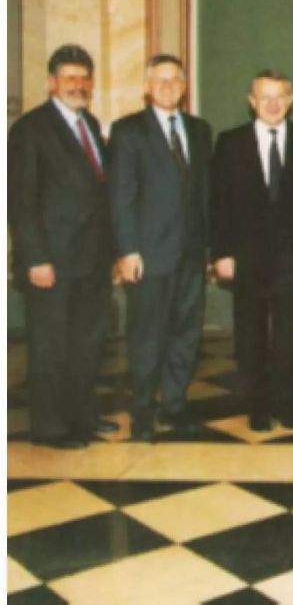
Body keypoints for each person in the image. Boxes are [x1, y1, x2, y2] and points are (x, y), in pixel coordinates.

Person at [8, 45, 116, 449]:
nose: (78, 85)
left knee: (87, 343)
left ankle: (82, 416)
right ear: (52, 82)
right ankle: (50, 427)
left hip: (91, 259)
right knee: (51, 345)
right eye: (69, 77)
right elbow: (20, 201)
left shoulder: (89, 123)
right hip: (51, 260)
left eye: (84, 77)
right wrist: (35, 257)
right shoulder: (30, 129)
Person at [211, 70, 293, 432]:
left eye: (280, 97)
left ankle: (287, 406)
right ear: (251, 101)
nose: (273, 104)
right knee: (251, 336)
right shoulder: (230, 143)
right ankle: (258, 407)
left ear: (290, 101)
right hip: (246, 257)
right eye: (265, 97)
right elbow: (219, 203)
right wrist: (221, 253)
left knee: (289, 336)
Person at [108, 54, 212, 441]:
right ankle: (142, 412)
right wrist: (127, 250)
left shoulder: (200, 130)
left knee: (186, 333)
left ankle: (174, 404)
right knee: (147, 336)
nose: (168, 86)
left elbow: (204, 195)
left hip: (190, 254)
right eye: (160, 80)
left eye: (175, 80)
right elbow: (121, 196)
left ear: (185, 88)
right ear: (147, 87)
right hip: (148, 256)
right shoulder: (128, 131)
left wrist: (209, 250)